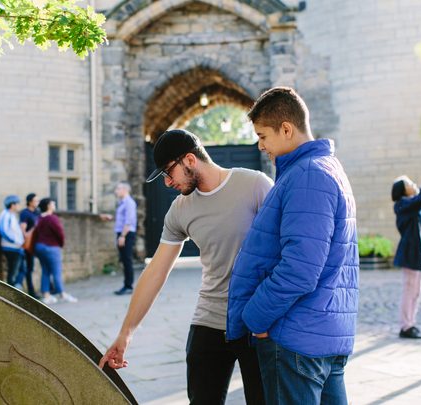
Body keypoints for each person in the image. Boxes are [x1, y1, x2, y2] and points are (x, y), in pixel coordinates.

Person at [99, 129, 272, 405]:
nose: (167, 183)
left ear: (190, 160)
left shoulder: (255, 185)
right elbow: (156, 271)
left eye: (169, 172)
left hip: (257, 321)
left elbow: (285, 251)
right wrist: (125, 334)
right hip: (209, 319)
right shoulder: (180, 209)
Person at [227, 87, 359, 405]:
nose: (261, 146)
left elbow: (299, 268)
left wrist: (255, 318)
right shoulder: (327, 169)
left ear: (286, 129)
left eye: (263, 136)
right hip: (322, 335)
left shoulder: (308, 176)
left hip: (295, 339)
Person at [391, 165, 421, 339]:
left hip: (417, 253)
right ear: (403, 191)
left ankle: (411, 323)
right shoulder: (403, 205)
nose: (413, 184)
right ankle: (406, 326)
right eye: (409, 183)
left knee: (417, 290)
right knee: (410, 290)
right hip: (410, 253)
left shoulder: (412, 206)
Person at [33, 198, 78, 305]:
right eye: (53, 203)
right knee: (56, 271)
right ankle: (62, 293)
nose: (54, 205)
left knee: (45, 271)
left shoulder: (39, 218)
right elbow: (60, 233)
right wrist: (61, 244)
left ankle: (46, 295)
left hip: (39, 247)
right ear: (48, 205)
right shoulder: (52, 218)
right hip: (51, 247)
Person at [112, 182, 138, 295]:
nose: (116, 191)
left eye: (118, 188)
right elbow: (122, 218)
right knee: (124, 260)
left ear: (125, 190)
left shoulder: (129, 202)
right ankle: (127, 285)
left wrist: (123, 236)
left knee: (127, 260)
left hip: (126, 234)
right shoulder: (122, 202)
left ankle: (128, 286)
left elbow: (129, 221)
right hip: (122, 233)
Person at [0, 195, 25, 287]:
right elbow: (3, 230)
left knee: (21, 269)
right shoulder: (5, 215)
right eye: (17, 204)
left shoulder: (11, 215)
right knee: (13, 271)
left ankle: (16, 287)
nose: (19, 206)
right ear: (12, 205)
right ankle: (12, 290)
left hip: (16, 247)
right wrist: (14, 241)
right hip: (11, 247)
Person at [17, 192, 41, 298]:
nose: (37, 202)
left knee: (36, 267)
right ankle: (31, 292)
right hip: (28, 245)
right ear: (30, 202)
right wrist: (32, 230)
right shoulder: (25, 213)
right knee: (29, 268)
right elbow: (23, 230)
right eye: (36, 200)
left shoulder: (37, 212)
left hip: (36, 243)